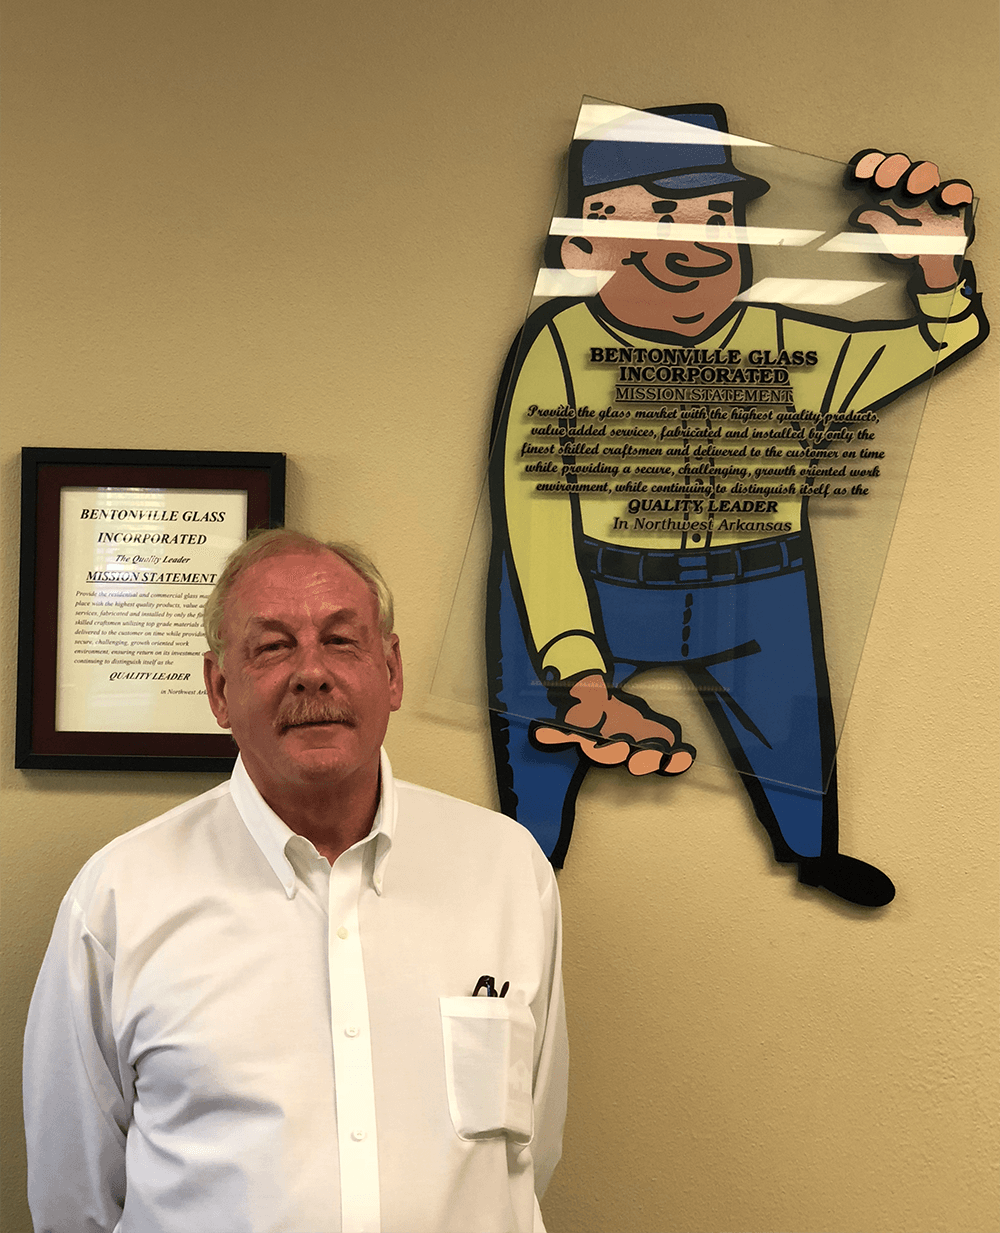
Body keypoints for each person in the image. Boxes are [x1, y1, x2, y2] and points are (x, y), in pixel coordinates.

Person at [487, 103, 988, 905]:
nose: (693, 243)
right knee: (538, 728)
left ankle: (812, 853)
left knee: (794, 745)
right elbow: (535, 516)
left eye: (717, 214)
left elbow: (936, 339)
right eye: (656, 214)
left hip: (756, 590)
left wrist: (935, 269)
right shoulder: (560, 342)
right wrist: (578, 666)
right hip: (599, 581)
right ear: (583, 245)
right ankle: (522, 861)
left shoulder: (785, 343)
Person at [24, 528, 567, 1233]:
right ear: (219, 689)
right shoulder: (119, 898)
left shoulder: (506, 871)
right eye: (273, 646)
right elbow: (75, 1199)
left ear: (392, 671)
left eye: (342, 640)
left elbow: (532, 1150)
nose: (313, 671)